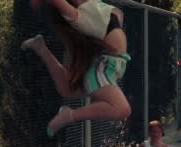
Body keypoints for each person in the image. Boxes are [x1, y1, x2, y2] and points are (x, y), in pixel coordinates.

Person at [22, 0, 131, 137]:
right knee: (121, 109)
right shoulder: (79, 17)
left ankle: (41, 48)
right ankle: (69, 115)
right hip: (101, 69)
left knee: (66, 88)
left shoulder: (97, 7)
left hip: (109, 68)